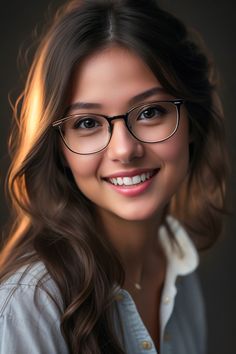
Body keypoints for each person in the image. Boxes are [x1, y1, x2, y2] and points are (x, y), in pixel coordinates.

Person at [0, 0, 227, 353]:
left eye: (151, 112)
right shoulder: (28, 307)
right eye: (87, 123)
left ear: (192, 123)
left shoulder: (179, 272)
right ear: (59, 147)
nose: (124, 150)